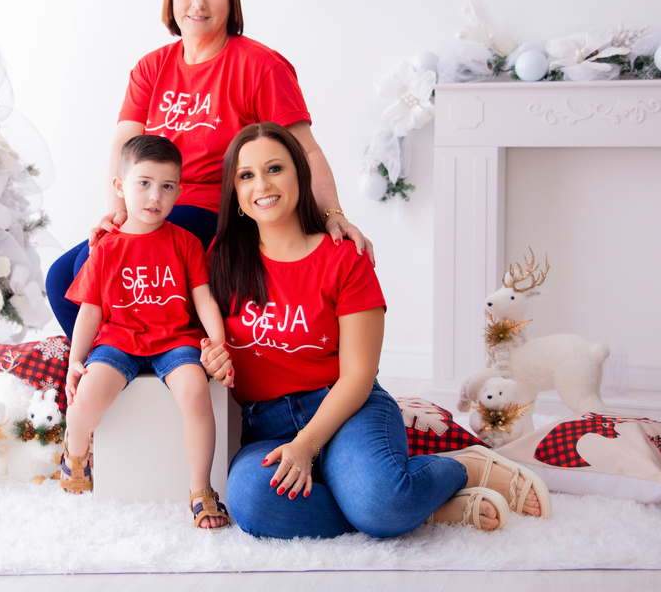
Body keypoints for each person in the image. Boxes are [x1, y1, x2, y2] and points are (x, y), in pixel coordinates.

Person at [201, 122, 552, 538]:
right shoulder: (221, 262)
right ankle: (421, 507)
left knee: (379, 501)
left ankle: (463, 468)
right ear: (236, 193)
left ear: (299, 174)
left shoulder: (344, 258)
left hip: (347, 408)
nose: (262, 184)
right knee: (252, 503)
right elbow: (202, 344)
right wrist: (212, 362)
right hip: (267, 424)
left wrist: (307, 443)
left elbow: (359, 374)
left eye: (275, 168)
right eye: (246, 175)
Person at [46, 0, 374, 340]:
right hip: (153, 204)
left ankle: (161, 359)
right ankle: (133, 368)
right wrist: (119, 215)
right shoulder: (152, 68)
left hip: (217, 210)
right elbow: (123, 146)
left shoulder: (259, 65)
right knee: (63, 277)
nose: (197, 2)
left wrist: (331, 212)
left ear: (231, 1)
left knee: (92, 266)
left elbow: (305, 148)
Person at [61, 135, 233, 530]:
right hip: (120, 339)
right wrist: (75, 360)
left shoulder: (185, 243)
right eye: (144, 183)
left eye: (167, 186)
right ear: (120, 187)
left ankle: (200, 489)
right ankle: (75, 452)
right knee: (87, 394)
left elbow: (204, 299)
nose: (155, 196)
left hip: (175, 339)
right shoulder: (105, 248)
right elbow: (91, 310)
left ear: (179, 191)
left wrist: (218, 344)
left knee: (194, 390)